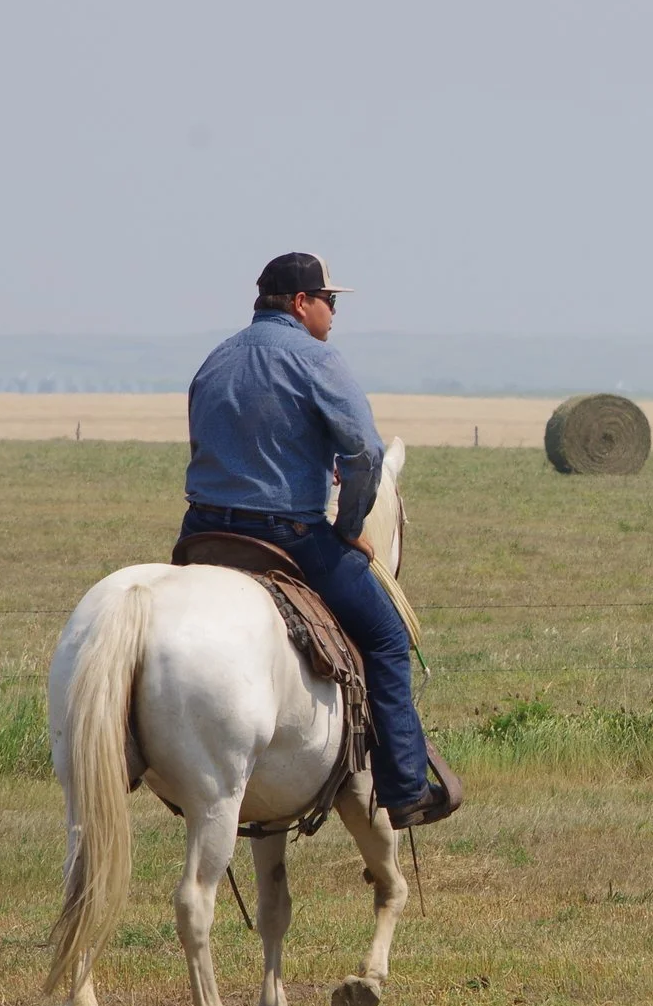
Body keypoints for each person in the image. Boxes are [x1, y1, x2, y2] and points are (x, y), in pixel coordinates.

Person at [183, 252, 461, 830]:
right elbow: (366, 452)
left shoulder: (216, 358)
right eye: (329, 301)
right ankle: (406, 787)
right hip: (287, 536)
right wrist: (350, 525)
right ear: (300, 303)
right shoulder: (316, 358)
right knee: (386, 637)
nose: (334, 313)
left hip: (202, 533)